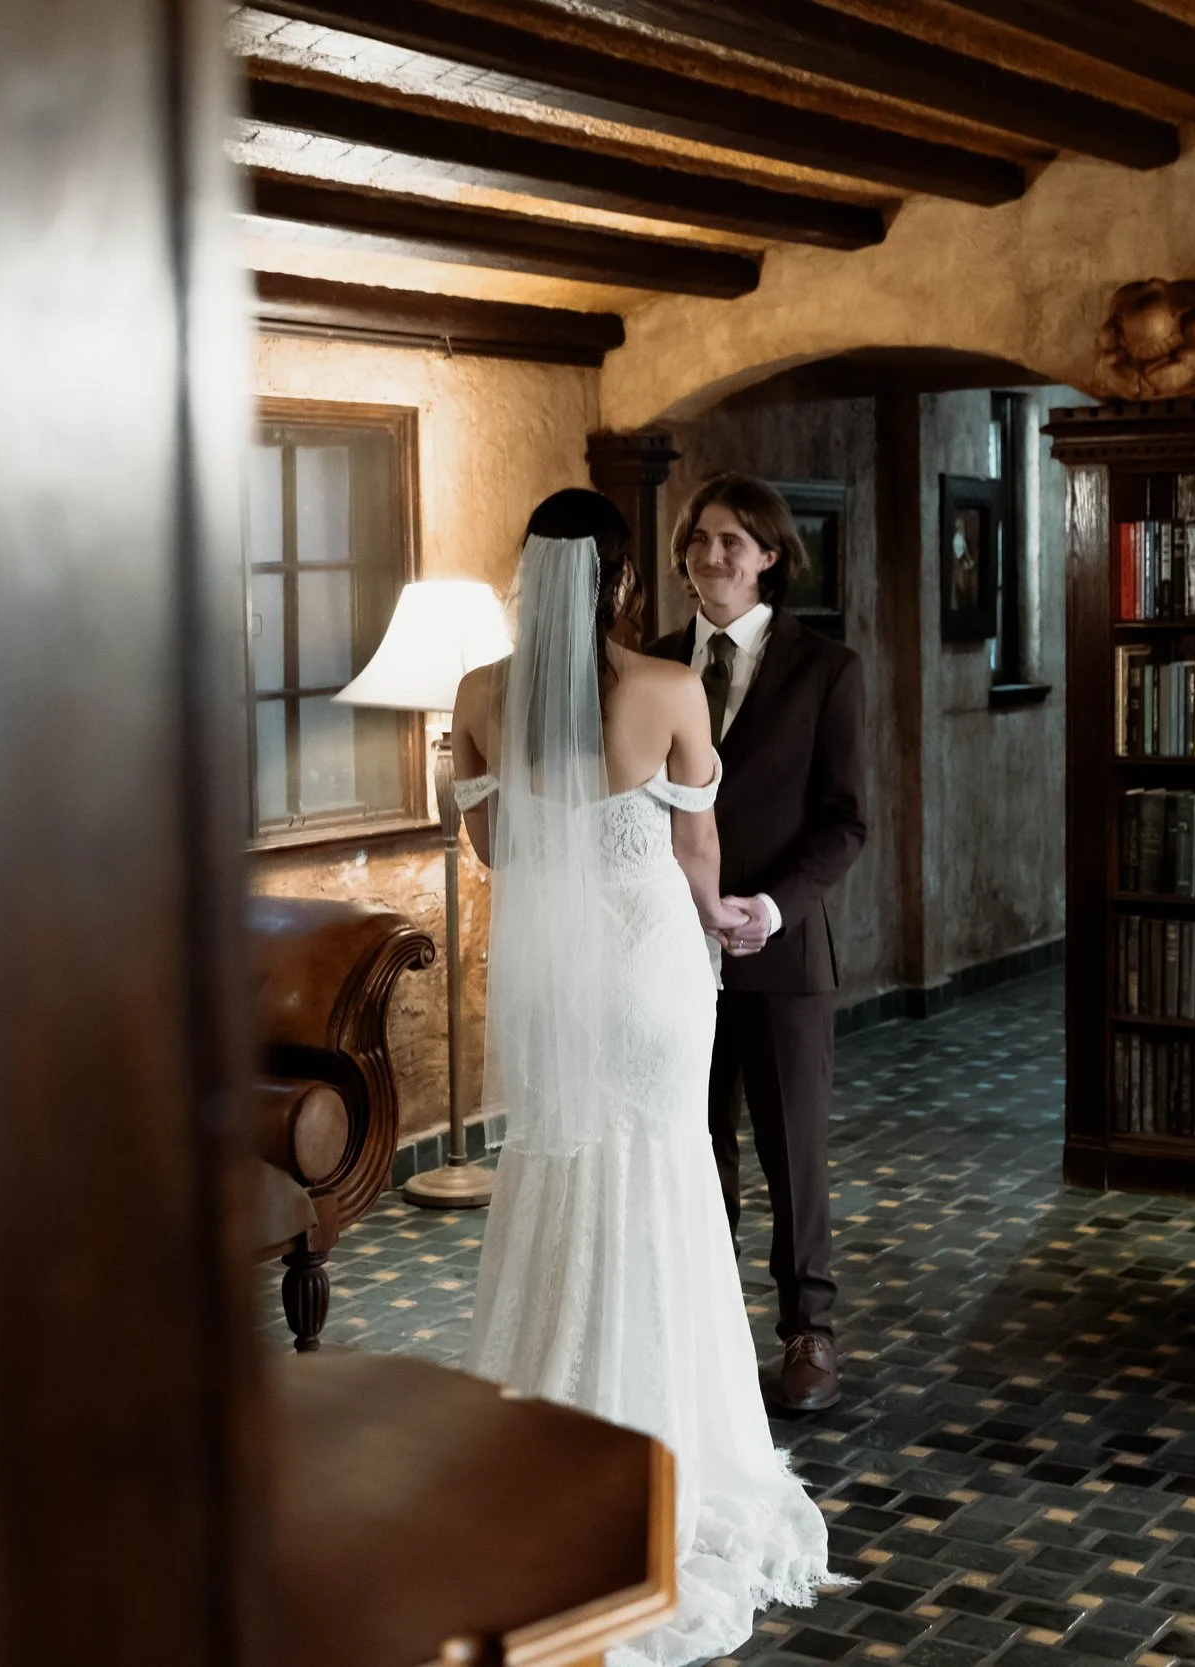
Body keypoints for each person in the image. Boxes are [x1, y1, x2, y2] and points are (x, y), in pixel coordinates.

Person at [449, 488, 833, 1667]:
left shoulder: (479, 694)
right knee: (665, 1173)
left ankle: (549, 1428)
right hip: (653, 966)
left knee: (561, 1163)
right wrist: (717, 919)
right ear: (622, 580)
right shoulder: (664, 688)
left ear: (530, 575)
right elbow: (695, 846)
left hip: (555, 974)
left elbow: (492, 845)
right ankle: (670, 1431)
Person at [648, 474, 867, 1415]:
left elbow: (846, 821)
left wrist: (771, 906)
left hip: (780, 951)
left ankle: (808, 1331)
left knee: (792, 1152)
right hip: (665, 952)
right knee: (693, 1150)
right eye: (699, 539)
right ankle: (707, 1328)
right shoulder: (648, 666)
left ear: (772, 554)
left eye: (734, 541)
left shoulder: (827, 669)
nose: (712, 557)